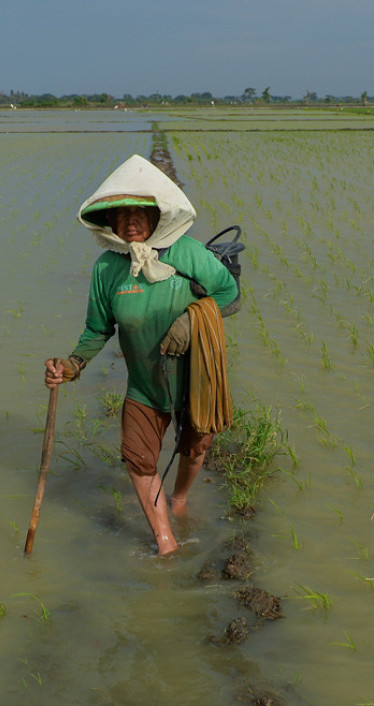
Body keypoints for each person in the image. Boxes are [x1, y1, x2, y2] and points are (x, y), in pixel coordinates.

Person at [45, 154, 238, 556]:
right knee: (138, 457)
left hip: (195, 377)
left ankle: (181, 497)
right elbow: (98, 329)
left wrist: (193, 318)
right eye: (121, 215)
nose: (130, 221)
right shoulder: (107, 269)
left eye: (140, 213)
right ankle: (165, 540)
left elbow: (229, 293)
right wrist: (70, 365)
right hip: (145, 384)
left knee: (196, 446)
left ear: (157, 216)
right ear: (111, 223)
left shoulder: (187, 253)